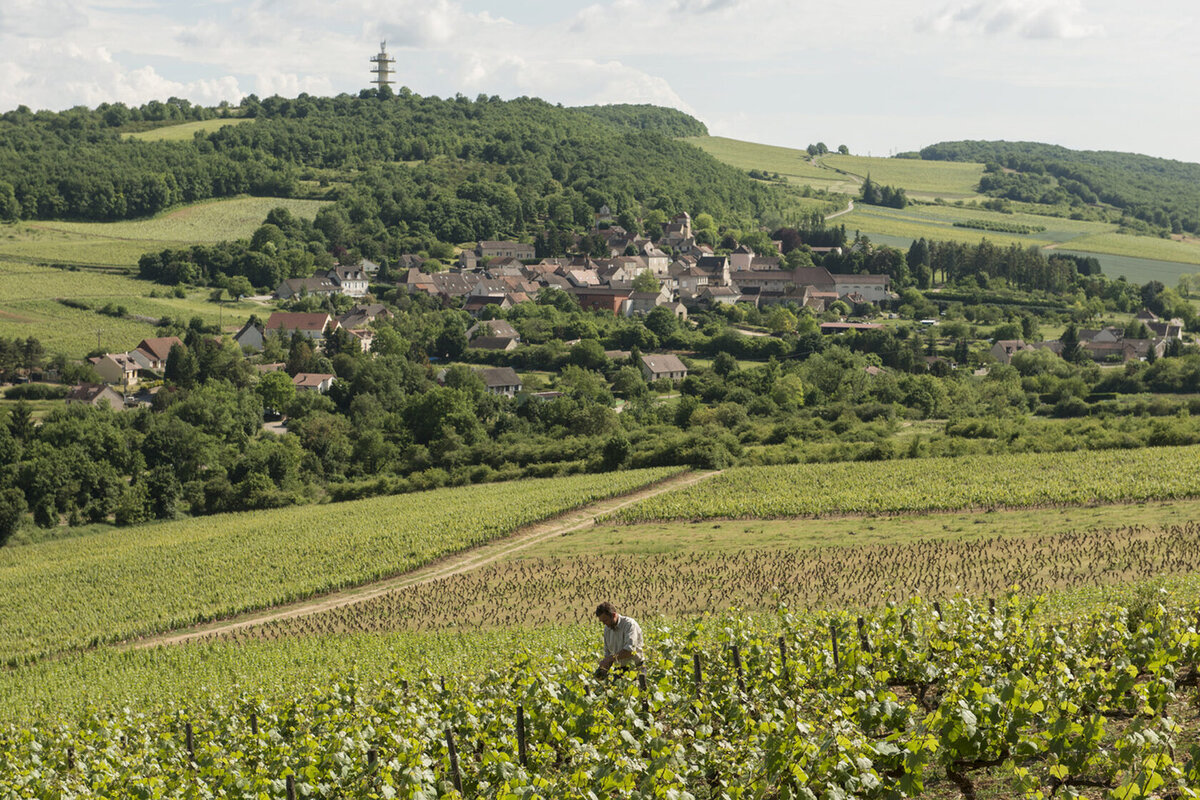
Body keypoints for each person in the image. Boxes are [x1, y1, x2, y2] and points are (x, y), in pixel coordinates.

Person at [593, 602, 643, 678]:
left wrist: (609, 659)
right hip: (619, 669)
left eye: (605, 620)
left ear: (613, 615)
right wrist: (604, 668)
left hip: (635, 668)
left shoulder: (629, 625)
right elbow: (608, 653)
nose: (604, 624)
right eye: (602, 621)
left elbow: (630, 651)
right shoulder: (607, 628)